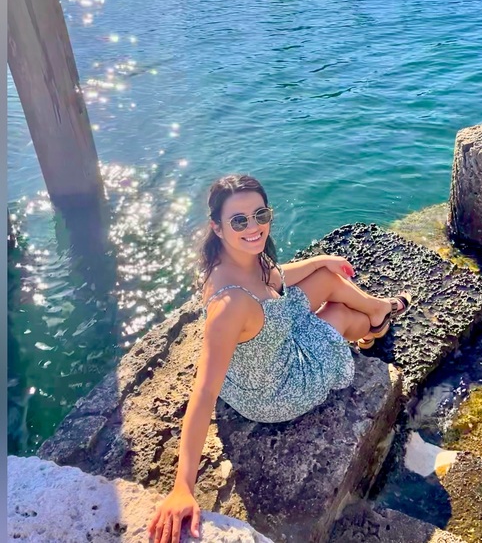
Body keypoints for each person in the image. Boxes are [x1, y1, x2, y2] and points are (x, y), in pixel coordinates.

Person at [148, 174, 410, 542]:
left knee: (328, 278)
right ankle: (374, 326)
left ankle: (379, 310)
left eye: (260, 215)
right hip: (276, 389)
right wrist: (182, 487)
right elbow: (203, 393)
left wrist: (322, 260)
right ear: (217, 227)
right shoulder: (229, 305)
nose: (253, 227)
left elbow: (276, 278)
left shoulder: (234, 257)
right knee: (342, 314)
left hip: (266, 347)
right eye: (239, 220)